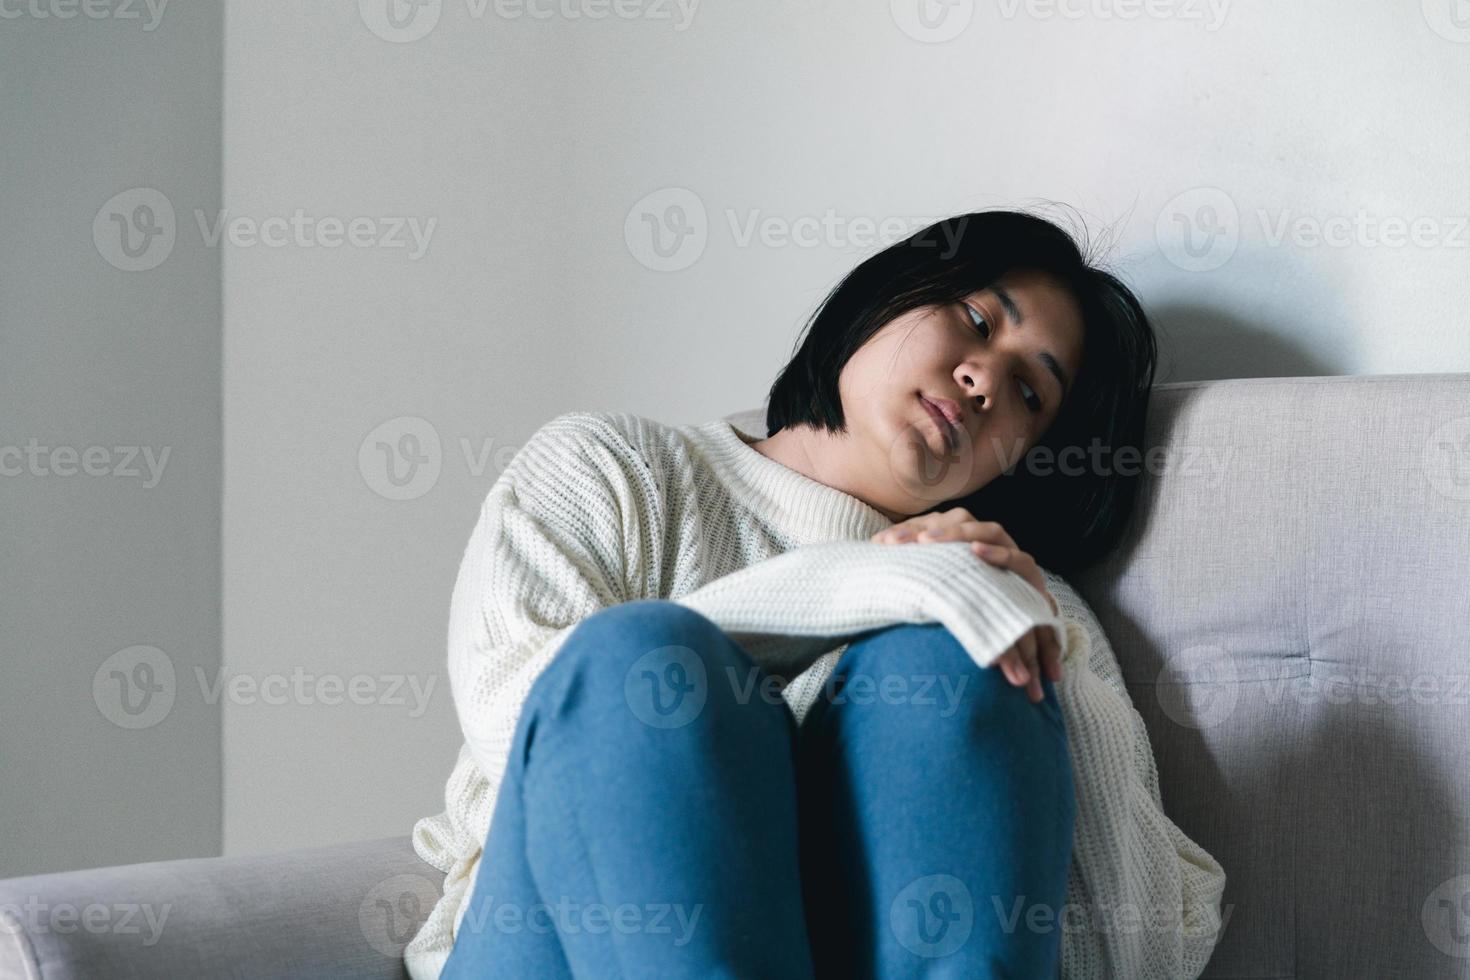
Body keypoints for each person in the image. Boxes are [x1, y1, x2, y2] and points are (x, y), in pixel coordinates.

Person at [405, 208, 1226, 978]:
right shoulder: (612, 471)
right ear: (888, 295)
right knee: (641, 658)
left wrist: (1044, 655)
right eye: (977, 321)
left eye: (1028, 394)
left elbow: (1149, 946)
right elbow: (527, 717)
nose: (983, 380)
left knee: (954, 667)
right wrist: (863, 582)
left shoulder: (1005, 595)